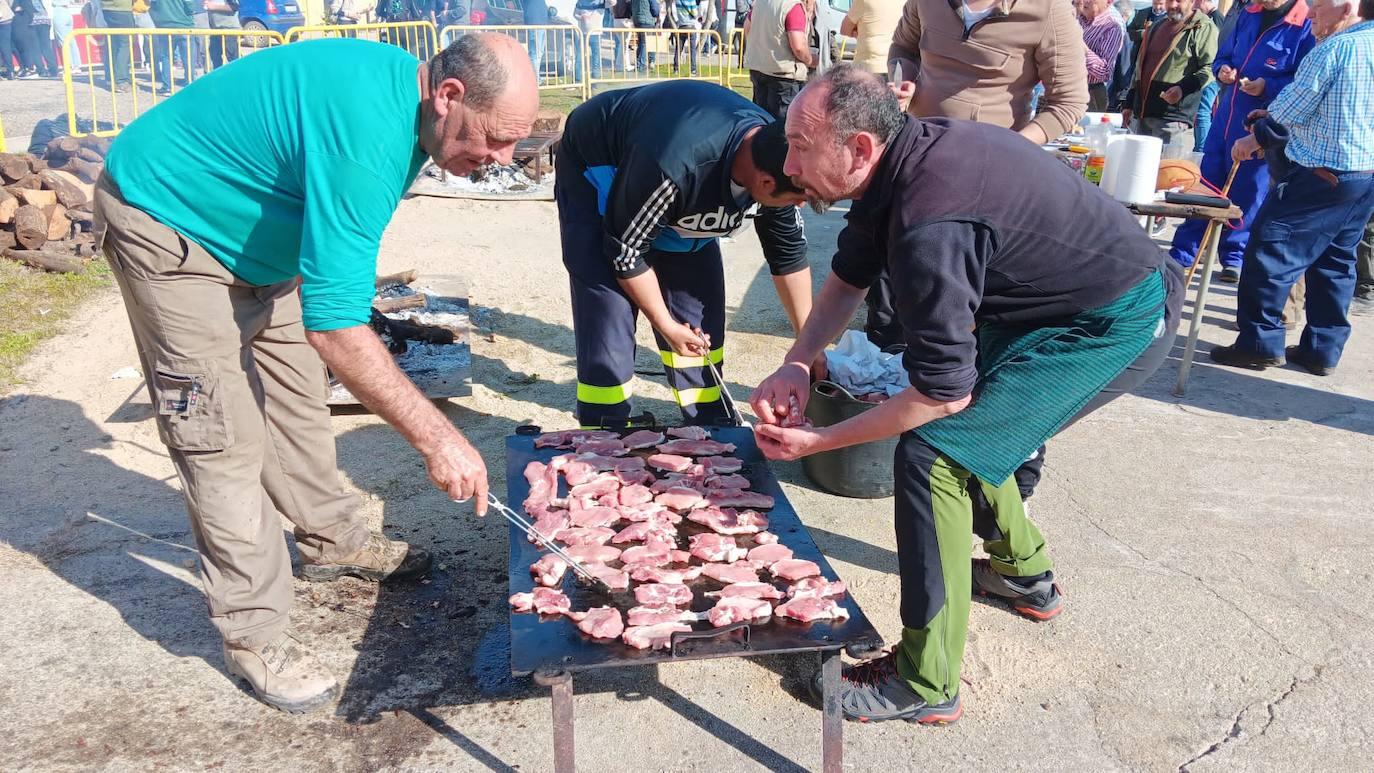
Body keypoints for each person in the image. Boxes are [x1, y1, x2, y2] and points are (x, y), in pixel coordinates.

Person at [94, 34, 536, 714]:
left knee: (297, 394)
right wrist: (437, 436)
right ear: (447, 95)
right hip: (171, 221)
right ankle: (256, 634)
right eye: (494, 139)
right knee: (222, 437)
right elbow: (336, 326)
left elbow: (329, 299)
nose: (500, 161)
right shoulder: (370, 136)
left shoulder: (411, 107)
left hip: (260, 242)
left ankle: (334, 540)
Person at [753, 65, 1184, 725]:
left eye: (801, 145)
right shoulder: (896, 163)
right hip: (1052, 303)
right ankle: (1023, 573)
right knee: (977, 434)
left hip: (1112, 318)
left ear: (859, 148)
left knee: (936, 454)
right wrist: (797, 360)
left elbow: (940, 397)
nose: (787, 163)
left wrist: (823, 439)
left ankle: (926, 680)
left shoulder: (931, 222)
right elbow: (848, 273)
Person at [555, 80, 812, 427]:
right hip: (602, 167)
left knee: (697, 317)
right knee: (609, 310)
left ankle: (707, 420)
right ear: (765, 184)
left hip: (677, 182)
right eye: (797, 199)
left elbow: (788, 255)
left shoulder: (785, 163)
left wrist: (809, 343)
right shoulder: (674, 166)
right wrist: (664, 323)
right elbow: (626, 251)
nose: (800, 203)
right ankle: (605, 425)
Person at [1211, 0, 1373, 374]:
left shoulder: (1336, 48)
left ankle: (1259, 343)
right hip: (1363, 174)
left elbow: (1291, 109)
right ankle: (1322, 349)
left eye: (1318, 7)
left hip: (1322, 173)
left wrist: (1254, 139)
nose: (1311, 14)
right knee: (1336, 263)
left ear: (1346, 8)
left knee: (1269, 251)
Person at [1169, 0, 1314, 283]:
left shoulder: (1304, 23)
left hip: (1261, 121)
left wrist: (1267, 86)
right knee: (1207, 185)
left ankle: (1234, 255)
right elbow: (1223, 56)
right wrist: (1223, 70)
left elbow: (1304, 82)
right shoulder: (1249, 14)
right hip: (1225, 116)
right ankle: (1185, 252)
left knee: (1249, 191)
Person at [1122, 0, 1217, 148]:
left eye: (1178, 0)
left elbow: (1210, 66)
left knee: (1167, 170)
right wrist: (1129, 103)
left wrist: (1182, 88)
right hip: (1142, 116)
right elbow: (1139, 67)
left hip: (1173, 119)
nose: (1172, 5)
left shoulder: (1202, 27)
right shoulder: (1156, 26)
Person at [742, 0, 811, 119]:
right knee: (782, 127)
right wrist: (810, 60)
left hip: (759, 69)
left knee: (761, 121)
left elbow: (747, 28)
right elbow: (799, 47)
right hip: (783, 76)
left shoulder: (761, 3)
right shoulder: (792, 6)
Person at [1190, 0, 1225, 150]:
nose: (1194, 7)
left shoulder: (1216, 19)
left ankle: (1201, 148)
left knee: (1203, 111)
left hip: (1211, 73)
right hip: (1212, 71)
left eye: (1196, 3)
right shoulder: (1217, 18)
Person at [1079, 0, 1126, 111]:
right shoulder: (1076, 17)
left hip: (1090, 93)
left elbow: (1104, 71)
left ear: (1108, 2)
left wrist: (1080, 47)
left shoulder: (1112, 26)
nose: (1084, 1)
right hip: (1061, 87)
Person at [839, 0, 901, 76]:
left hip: (868, 66)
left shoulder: (863, 1)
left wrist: (859, 32)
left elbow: (844, 29)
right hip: (897, 66)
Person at [149, 0, 193, 95]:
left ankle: (167, 87)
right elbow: (190, 4)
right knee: (188, 56)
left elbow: (152, 5)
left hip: (165, 25)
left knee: (166, 57)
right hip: (184, 24)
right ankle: (190, 84)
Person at [12, 0, 58, 78]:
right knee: (46, 47)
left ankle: (41, 71)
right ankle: (53, 70)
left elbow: (15, 8)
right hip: (45, 20)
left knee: (34, 48)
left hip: (32, 21)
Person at [97, 0, 134, 90]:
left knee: (113, 44)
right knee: (124, 44)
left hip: (106, 9)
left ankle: (111, 77)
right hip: (122, 9)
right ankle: (121, 80)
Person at [670, 0, 705, 74]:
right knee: (692, 50)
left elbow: (676, 14)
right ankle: (693, 70)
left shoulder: (678, 1)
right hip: (691, 27)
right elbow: (695, 14)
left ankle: (676, 69)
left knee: (678, 49)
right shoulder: (691, 1)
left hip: (681, 27)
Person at [205, 0, 241, 70]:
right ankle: (219, 78)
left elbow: (234, 7)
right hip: (215, 30)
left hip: (229, 29)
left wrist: (213, 7)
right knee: (215, 56)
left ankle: (238, 77)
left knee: (233, 57)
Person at [523, 0, 548, 79]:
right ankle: (535, 79)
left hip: (542, 22)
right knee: (535, 53)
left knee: (539, 53)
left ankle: (537, 78)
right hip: (534, 21)